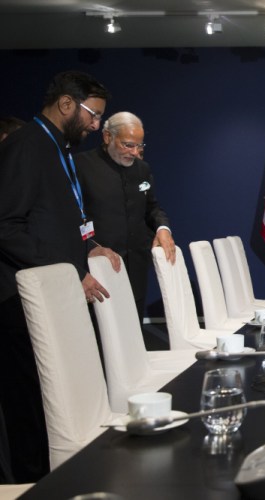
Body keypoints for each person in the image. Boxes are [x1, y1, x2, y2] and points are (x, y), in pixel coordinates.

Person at [0, 71, 120, 482]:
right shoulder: (25, 146)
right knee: (31, 406)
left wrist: (90, 247)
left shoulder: (58, 147)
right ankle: (29, 485)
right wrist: (68, 274)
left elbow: (55, 218)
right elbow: (7, 226)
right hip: (20, 302)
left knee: (57, 400)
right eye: (94, 114)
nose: (97, 125)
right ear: (67, 104)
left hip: (56, 294)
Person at [76, 112, 175, 322]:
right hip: (98, 267)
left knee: (134, 330)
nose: (135, 152)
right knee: (103, 334)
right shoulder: (80, 166)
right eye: (128, 145)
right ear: (107, 137)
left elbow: (152, 208)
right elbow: (71, 218)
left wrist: (162, 229)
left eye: (140, 146)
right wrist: (89, 248)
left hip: (137, 266)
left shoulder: (142, 169)